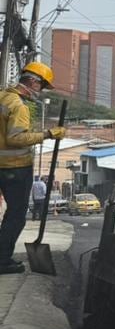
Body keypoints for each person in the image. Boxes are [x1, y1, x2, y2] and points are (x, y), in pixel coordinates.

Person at [0, 62, 62, 274]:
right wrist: (48, 134)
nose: (40, 90)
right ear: (33, 81)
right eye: (42, 85)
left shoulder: (2, 98)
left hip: (3, 167)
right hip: (15, 168)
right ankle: (2, 261)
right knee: (16, 215)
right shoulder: (19, 106)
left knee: (12, 214)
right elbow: (15, 138)